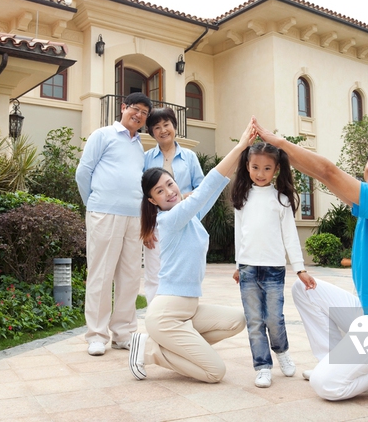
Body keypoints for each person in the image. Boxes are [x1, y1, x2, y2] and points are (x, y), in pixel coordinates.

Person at [253, 118, 368, 401]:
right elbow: (322, 175)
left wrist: (278, 143)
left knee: (326, 386)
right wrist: (282, 153)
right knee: (306, 290)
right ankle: (332, 360)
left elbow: (328, 171)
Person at [128, 120, 256, 383]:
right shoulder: (171, 219)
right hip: (167, 314)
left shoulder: (189, 217)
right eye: (160, 191)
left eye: (170, 185)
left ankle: (164, 346)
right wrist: (241, 145)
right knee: (214, 372)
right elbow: (206, 188)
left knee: (237, 321)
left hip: (189, 309)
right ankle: (152, 350)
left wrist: (243, 153)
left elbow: (213, 189)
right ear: (152, 201)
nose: (169, 192)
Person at [230, 141, 315, 388]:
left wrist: (300, 268)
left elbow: (290, 236)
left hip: (273, 269)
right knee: (254, 321)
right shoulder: (242, 197)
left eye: (267, 168)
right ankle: (263, 366)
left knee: (274, 319)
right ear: (247, 166)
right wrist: (238, 264)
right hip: (247, 268)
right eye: (255, 167)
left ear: (276, 169)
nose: (260, 173)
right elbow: (240, 234)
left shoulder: (281, 199)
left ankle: (282, 352)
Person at [75, 92, 153, 356]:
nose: (139, 115)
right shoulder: (103, 135)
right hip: (104, 214)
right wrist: (94, 203)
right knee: (101, 274)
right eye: (135, 109)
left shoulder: (139, 145)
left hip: (135, 217)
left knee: (130, 277)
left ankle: (123, 333)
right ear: (123, 108)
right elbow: (83, 173)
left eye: (144, 112)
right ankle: (96, 335)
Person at [143, 106, 204, 303]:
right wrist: (146, 228)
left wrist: (183, 199)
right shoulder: (146, 159)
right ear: (152, 132)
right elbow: (143, 196)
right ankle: (156, 320)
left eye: (166, 124)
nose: (163, 130)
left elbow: (203, 191)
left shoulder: (189, 157)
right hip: (158, 226)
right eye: (157, 127)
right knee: (154, 276)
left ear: (174, 126)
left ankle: (181, 317)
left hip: (186, 224)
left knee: (184, 274)